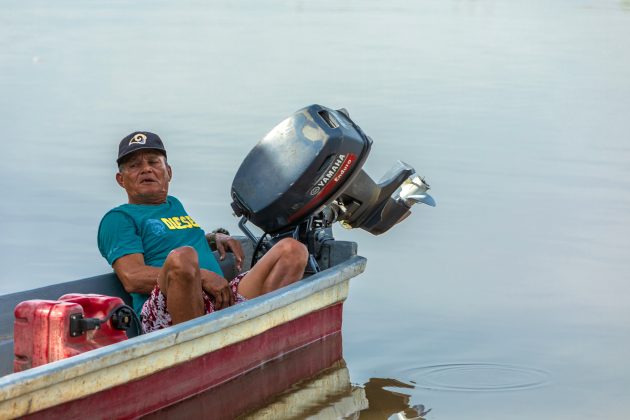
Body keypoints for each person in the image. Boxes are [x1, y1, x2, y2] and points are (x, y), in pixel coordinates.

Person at [98, 131, 308, 333]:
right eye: (134, 166)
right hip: (165, 317)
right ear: (121, 180)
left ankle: (260, 332)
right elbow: (132, 277)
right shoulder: (119, 218)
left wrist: (213, 238)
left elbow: (170, 238)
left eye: (153, 162)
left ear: (168, 172)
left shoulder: (174, 204)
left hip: (221, 297)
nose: (146, 169)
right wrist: (201, 277)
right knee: (183, 256)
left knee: (292, 250)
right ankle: (195, 346)